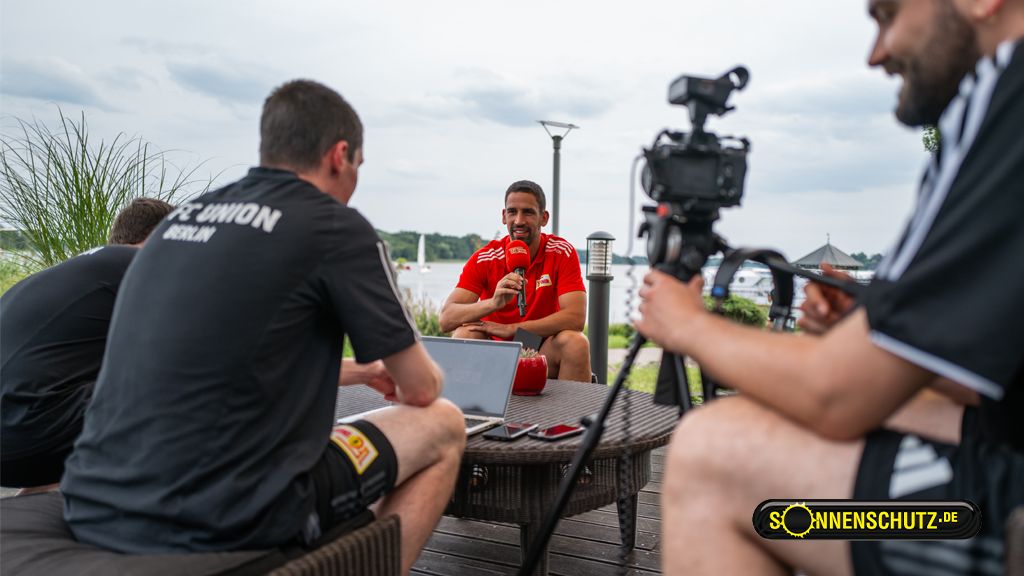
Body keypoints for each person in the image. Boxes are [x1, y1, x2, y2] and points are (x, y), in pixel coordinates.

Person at [637, 0, 1024, 574]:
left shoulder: (1003, 92)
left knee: (709, 452)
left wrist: (685, 323)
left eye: (887, 15)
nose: (877, 53)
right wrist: (868, 326)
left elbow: (835, 397)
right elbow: (985, 379)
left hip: (992, 507)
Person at [61, 80, 465, 575]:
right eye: (359, 167)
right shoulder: (334, 225)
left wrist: (354, 372)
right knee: (444, 423)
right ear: (340, 155)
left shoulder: (178, 223)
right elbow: (420, 388)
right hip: (227, 517)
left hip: (92, 503)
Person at [1, 197, 174, 494]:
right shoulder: (141, 265)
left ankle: (40, 500)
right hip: (26, 433)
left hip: (16, 445)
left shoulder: (62, 275)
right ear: (159, 239)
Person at [439, 180, 591, 382]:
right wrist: (494, 303)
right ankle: (472, 411)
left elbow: (576, 317)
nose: (519, 220)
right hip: (496, 352)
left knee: (576, 343)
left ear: (543, 218)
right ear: (504, 216)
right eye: (512, 212)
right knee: (465, 335)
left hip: (542, 351)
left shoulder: (561, 251)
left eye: (528, 212)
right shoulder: (486, 257)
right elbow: (446, 319)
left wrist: (514, 329)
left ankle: (570, 414)